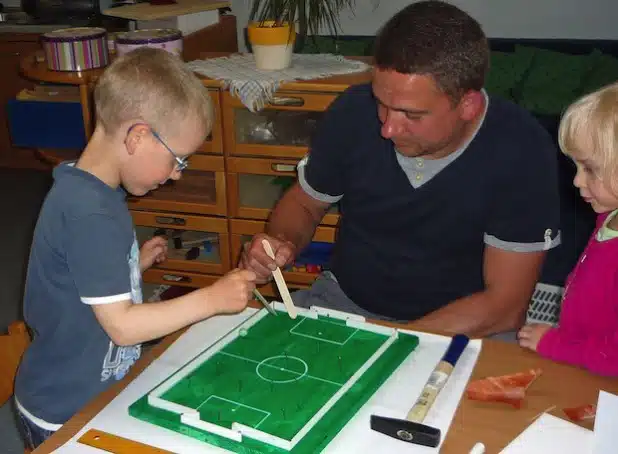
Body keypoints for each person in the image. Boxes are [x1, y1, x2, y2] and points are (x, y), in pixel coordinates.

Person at [240, 0, 560, 337]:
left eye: (412, 115)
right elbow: (305, 203)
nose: (388, 128)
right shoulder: (353, 110)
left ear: (468, 104)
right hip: (346, 303)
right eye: (382, 104)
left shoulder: (521, 148)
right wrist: (281, 242)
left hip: (468, 326)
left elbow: (505, 306)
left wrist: (396, 343)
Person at [14, 47, 256, 449]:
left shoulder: (92, 189)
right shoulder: (91, 213)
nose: (177, 175)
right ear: (138, 136)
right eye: (177, 159)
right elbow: (124, 328)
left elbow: (77, 276)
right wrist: (211, 299)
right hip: (65, 411)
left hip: (94, 391)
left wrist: (131, 266)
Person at [518, 82, 618, 376]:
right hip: (583, 360)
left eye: (590, 169)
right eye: (576, 167)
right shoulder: (608, 215)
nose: (576, 181)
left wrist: (555, 344)